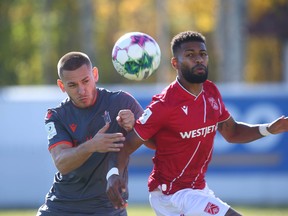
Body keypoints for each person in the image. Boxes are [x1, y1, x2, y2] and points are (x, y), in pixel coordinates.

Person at [106, 31, 288, 216]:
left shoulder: (211, 91)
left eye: (202, 54)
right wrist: (113, 175)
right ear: (175, 63)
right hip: (171, 194)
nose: (199, 59)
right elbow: (127, 145)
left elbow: (232, 132)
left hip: (198, 189)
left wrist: (269, 129)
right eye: (190, 55)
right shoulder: (164, 104)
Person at [36, 51, 144, 216]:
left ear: (95, 74)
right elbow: (62, 163)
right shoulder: (56, 115)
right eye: (72, 85)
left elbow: (153, 140)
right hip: (62, 206)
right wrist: (92, 145)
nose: (81, 90)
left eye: (85, 81)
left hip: (108, 207)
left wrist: (135, 126)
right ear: (62, 86)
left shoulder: (123, 101)